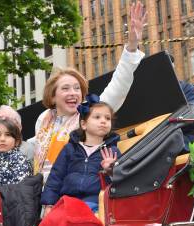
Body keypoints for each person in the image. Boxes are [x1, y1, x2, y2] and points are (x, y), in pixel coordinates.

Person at [32, 1, 147, 180]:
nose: (73, 93)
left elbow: (118, 85)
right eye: (66, 88)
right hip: (41, 193)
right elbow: (34, 145)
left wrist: (132, 44)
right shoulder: (44, 119)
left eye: (77, 88)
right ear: (53, 96)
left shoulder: (89, 114)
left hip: (71, 193)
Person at [40, 98, 120, 214]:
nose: (103, 121)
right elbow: (55, 177)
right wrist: (49, 204)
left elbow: (122, 181)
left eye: (107, 118)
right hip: (67, 201)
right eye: (97, 117)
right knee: (52, 223)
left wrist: (111, 170)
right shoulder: (70, 149)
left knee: (85, 214)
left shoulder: (112, 151)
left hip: (97, 203)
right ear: (83, 124)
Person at [0, 119, 32, 185]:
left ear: (17, 141)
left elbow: (19, 191)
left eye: (8, 135)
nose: (2, 139)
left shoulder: (20, 160)